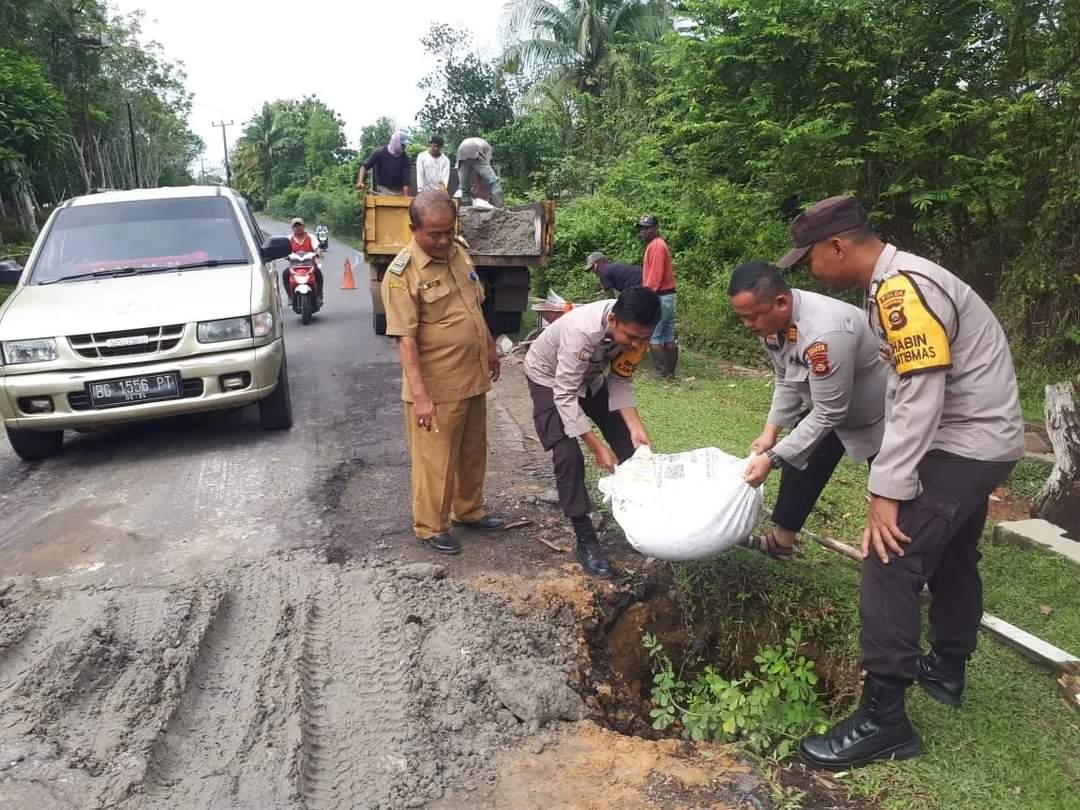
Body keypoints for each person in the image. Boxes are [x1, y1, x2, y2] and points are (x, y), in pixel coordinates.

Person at [777, 196, 1025, 770]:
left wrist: (886, 489)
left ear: (837, 246)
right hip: (978, 440)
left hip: (965, 443)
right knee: (954, 553)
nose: (809, 271)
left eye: (810, 258)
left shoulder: (901, 288)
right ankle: (946, 666)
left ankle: (884, 720)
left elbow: (919, 392)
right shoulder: (896, 282)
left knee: (889, 557)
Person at [728, 260, 886, 559]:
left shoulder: (824, 335)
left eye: (751, 316)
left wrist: (772, 459)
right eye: (742, 318)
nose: (748, 324)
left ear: (781, 302)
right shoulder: (772, 324)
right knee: (801, 462)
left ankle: (912, 571)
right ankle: (782, 541)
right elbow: (786, 378)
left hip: (879, 415)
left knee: (893, 489)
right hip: (829, 405)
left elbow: (830, 413)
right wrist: (770, 432)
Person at [381, 191, 506, 555]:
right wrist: (420, 398)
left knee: (472, 451)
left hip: (472, 375)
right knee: (435, 460)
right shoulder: (402, 275)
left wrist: (488, 348)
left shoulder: (459, 251)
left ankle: (469, 511)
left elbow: (473, 306)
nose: (442, 241)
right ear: (413, 229)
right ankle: (431, 526)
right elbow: (405, 341)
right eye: (434, 234)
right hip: (436, 387)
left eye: (448, 232)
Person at [523, 288, 661, 578]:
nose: (637, 344)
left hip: (590, 379)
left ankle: (640, 521)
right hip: (550, 379)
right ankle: (585, 537)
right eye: (632, 337)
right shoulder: (582, 331)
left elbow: (621, 382)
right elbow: (564, 394)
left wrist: (636, 427)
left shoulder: (639, 334)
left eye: (643, 338)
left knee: (630, 446)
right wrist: (595, 444)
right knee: (568, 455)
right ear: (612, 320)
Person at [637, 215, 678, 379]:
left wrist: (647, 297)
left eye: (647, 228)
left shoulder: (656, 246)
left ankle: (661, 373)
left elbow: (655, 277)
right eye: (641, 228)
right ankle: (670, 373)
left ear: (656, 228)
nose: (643, 231)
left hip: (660, 297)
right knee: (667, 335)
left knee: (654, 335)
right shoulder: (657, 245)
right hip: (667, 296)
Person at [357, 130, 412, 195]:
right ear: (395, 142)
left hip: (399, 191)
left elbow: (406, 182)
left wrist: (406, 200)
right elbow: (364, 166)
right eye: (402, 145)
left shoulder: (405, 159)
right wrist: (360, 181)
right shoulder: (380, 152)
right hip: (383, 190)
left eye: (405, 145)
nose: (404, 147)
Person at [284, 217, 324, 303]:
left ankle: (319, 296)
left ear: (304, 226)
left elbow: (317, 248)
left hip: (309, 265)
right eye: (295, 226)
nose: (297, 228)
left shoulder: (311, 237)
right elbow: (284, 249)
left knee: (318, 274)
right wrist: (284, 254)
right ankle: (290, 296)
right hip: (294, 266)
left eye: (299, 225)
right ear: (292, 228)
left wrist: (318, 252)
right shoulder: (289, 238)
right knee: (285, 274)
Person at [456, 137, 504, 207]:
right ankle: (500, 207)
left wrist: (476, 187)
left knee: (465, 189)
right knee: (494, 181)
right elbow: (483, 171)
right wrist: (478, 187)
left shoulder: (477, 141)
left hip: (461, 151)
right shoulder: (488, 148)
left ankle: (467, 210)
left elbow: (477, 172)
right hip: (474, 147)